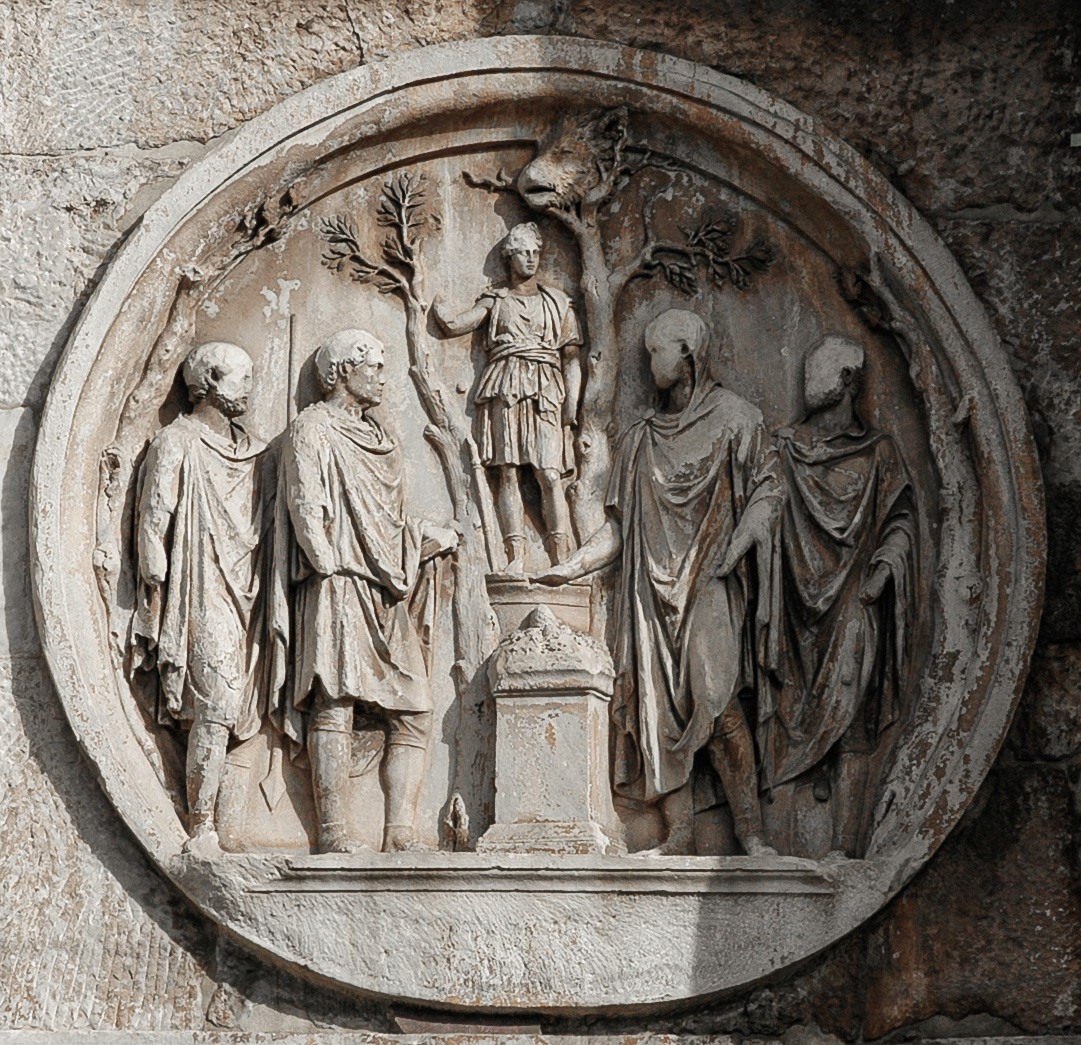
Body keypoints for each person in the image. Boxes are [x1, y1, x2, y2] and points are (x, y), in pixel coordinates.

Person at [535, 308, 782, 857]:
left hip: (710, 582)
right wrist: (571, 566)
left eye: (657, 352)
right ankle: (680, 834)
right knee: (654, 709)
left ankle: (753, 833)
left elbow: (769, 493)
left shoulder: (737, 419)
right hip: (649, 592)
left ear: (689, 355)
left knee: (715, 699)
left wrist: (731, 551)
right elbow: (620, 529)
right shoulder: (642, 438)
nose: (649, 364)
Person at [272, 329, 458, 854]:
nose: (381, 374)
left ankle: (399, 831)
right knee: (335, 701)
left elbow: (389, 521)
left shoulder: (383, 438)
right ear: (340, 372)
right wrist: (327, 563)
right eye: (371, 365)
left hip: (387, 587)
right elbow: (304, 503)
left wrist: (423, 537)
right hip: (338, 583)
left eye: (382, 365)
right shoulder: (310, 430)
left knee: (415, 709)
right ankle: (333, 832)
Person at [761, 335, 917, 856]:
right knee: (783, 709)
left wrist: (880, 573)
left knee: (853, 708)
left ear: (849, 381)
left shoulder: (880, 452)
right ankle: (779, 844)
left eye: (822, 370)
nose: (808, 378)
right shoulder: (785, 447)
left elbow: (900, 521)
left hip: (854, 598)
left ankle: (845, 849)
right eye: (806, 367)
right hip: (790, 604)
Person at [132, 341, 271, 857]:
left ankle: (231, 828)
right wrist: (155, 577)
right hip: (199, 588)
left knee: (244, 708)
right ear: (208, 383)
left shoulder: (256, 451)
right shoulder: (177, 442)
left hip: (250, 588)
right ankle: (202, 824)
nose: (251, 387)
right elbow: (154, 515)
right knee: (215, 704)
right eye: (242, 378)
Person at [433, 221, 582, 574]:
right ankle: (516, 556)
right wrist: (433, 306)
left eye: (535, 253)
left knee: (549, 473)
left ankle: (561, 554)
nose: (531, 260)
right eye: (523, 253)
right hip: (505, 385)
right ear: (509, 257)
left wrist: (572, 404)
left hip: (546, 388)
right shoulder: (496, 299)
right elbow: (458, 325)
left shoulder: (558, 303)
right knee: (509, 472)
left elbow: (571, 358)